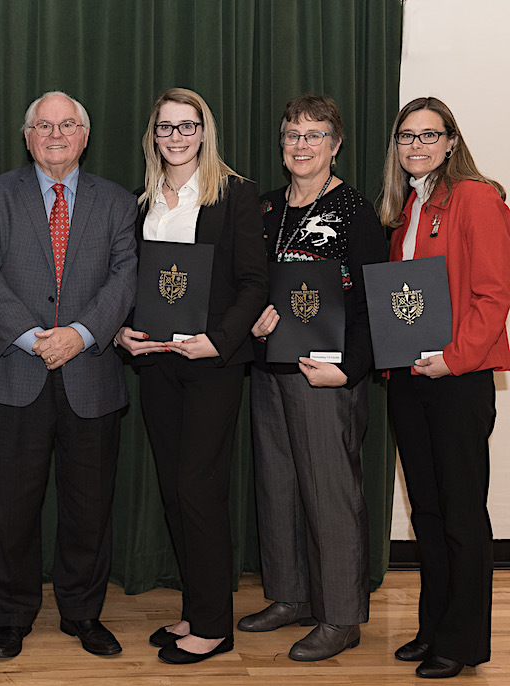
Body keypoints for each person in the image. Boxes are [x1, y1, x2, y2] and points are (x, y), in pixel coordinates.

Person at [0, 91, 137, 659]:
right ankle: (10, 615)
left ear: (85, 136)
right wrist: (34, 337)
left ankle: (83, 612)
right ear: (27, 135)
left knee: (89, 506)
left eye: (68, 125)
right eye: (44, 125)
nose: (56, 134)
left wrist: (81, 334)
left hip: (90, 373)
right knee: (9, 506)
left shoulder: (117, 202)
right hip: (16, 371)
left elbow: (125, 276)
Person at [114, 87, 267, 664]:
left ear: (205, 132)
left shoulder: (235, 195)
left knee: (200, 489)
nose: (176, 137)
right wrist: (124, 330)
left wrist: (219, 342)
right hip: (155, 362)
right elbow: (132, 283)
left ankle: (214, 625)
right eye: (165, 128)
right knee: (176, 491)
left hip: (210, 366)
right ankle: (197, 607)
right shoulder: (140, 201)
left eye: (187, 126)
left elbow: (255, 282)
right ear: (152, 136)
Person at [238, 94, 386, 661]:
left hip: (326, 373)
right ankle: (291, 596)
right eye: (293, 135)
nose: (302, 144)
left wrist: (350, 370)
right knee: (278, 486)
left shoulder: (355, 210)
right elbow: (251, 284)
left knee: (329, 492)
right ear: (282, 144)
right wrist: (250, 318)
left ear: (336, 143)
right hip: (269, 367)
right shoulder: (265, 208)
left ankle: (342, 616)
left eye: (315, 135)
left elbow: (374, 300)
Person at [379, 96, 510, 679]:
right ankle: (432, 625)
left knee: (461, 514)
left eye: (429, 136)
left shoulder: (477, 198)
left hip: (458, 378)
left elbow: (492, 296)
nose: (417, 146)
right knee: (426, 512)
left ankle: (462, 641)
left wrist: (453, 360)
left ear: (451, 142)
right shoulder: (406, 206)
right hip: (410, 379)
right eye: (407, 137)